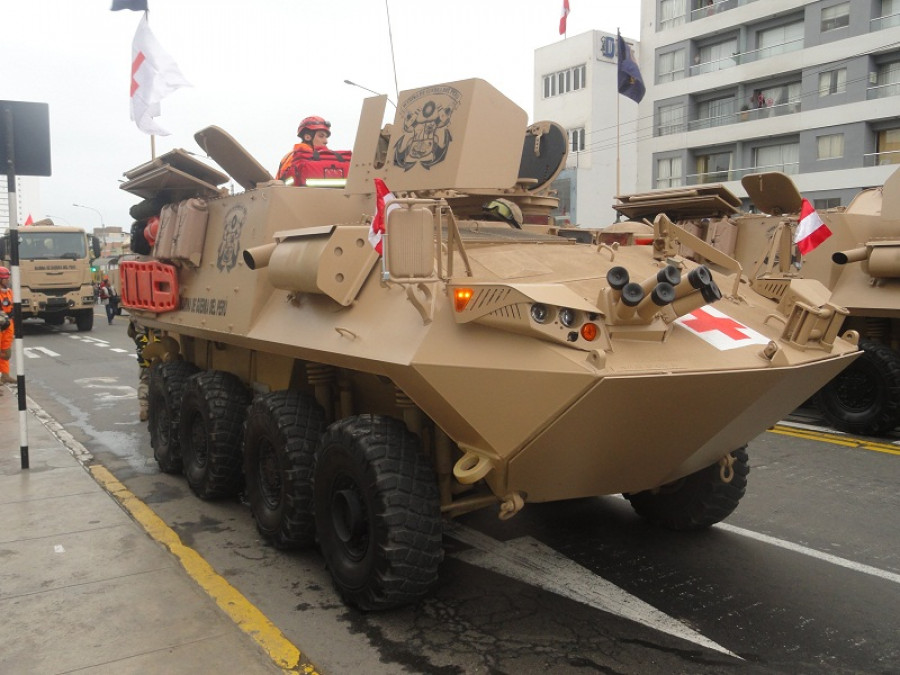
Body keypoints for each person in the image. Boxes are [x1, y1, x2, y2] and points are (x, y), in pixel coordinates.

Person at [276, 116, 332, 181]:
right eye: (321, 136)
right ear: (307, 137)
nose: (326, 141)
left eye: (326, 137)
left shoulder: (289, 156)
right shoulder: (299, 157)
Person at [0, 266, 14, 387]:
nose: (7, 280)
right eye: (4, 278)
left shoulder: (9, 291)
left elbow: (12, 306)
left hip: (8, 323)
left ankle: (5, 375)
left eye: (7, 278)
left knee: (6, 351)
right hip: (0, 323)